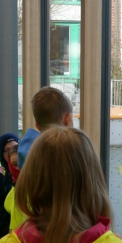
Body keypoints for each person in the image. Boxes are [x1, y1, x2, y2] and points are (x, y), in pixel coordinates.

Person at [6, 87, 73, 232]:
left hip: (31, 228)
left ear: (37, 125)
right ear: (67, 119)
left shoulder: (26, 154)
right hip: (63, 229)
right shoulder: (69, 154)